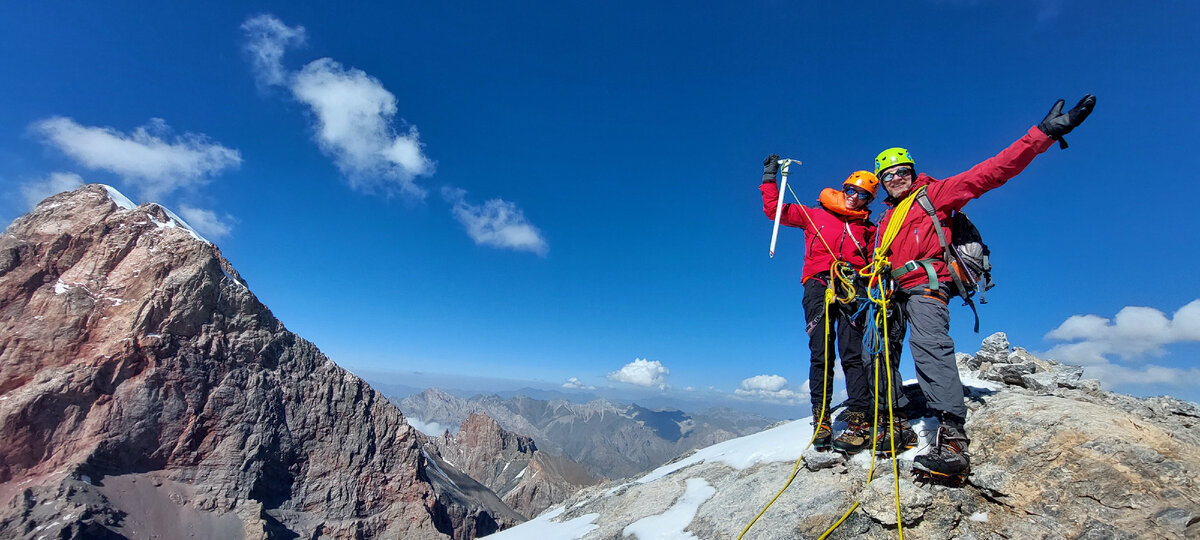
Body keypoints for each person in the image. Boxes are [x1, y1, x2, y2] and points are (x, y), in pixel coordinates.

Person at [871, 95, 1096, 479]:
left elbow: (991, 172)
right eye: (888, 176)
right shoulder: (886, 219)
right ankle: (895, 423)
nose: (896, 179)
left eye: (902, 171)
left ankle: (953, 440)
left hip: (926, 286)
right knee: (880, 354)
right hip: (889, 293)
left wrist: (1040, 135)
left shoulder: (934, 195)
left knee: (930, 350)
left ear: (912, 171)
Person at [760, 156, 879, 454]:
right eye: (851, 190)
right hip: (819, 285)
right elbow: (774, 211)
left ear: (869, 200)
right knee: (821, 353)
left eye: (863, 194)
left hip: (854, 288)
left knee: (853, 354)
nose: (854, 197)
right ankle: (821, 419)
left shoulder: (869, 229)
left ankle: (858, 419)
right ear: (843, 189)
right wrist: (769, 179)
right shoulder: (813, 214)